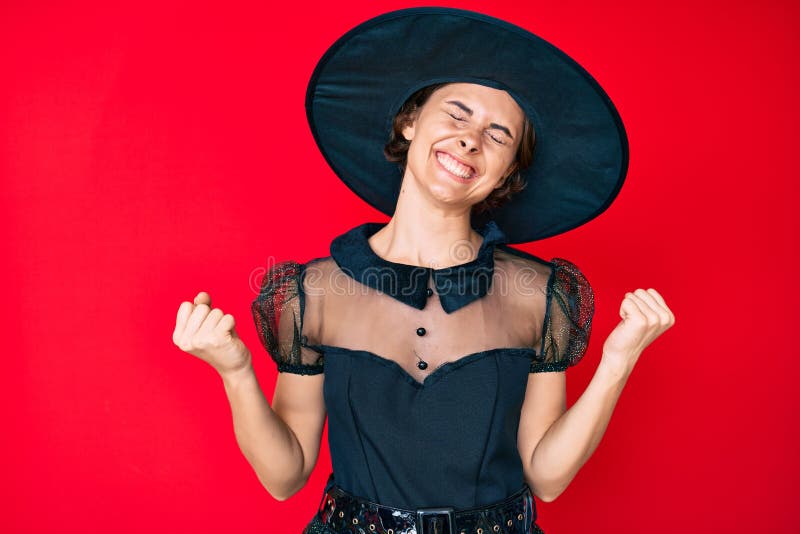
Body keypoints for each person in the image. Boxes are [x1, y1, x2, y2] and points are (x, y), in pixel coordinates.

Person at [172, 8, 675, 534]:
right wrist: (234, 370)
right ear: (409, 123)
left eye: (499, 135)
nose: (471, 139)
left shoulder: (540, 295)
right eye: (457, 115)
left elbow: (547, 477)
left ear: (507, 172)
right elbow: (285, 476)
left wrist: (619, 361)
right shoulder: (312, 292)